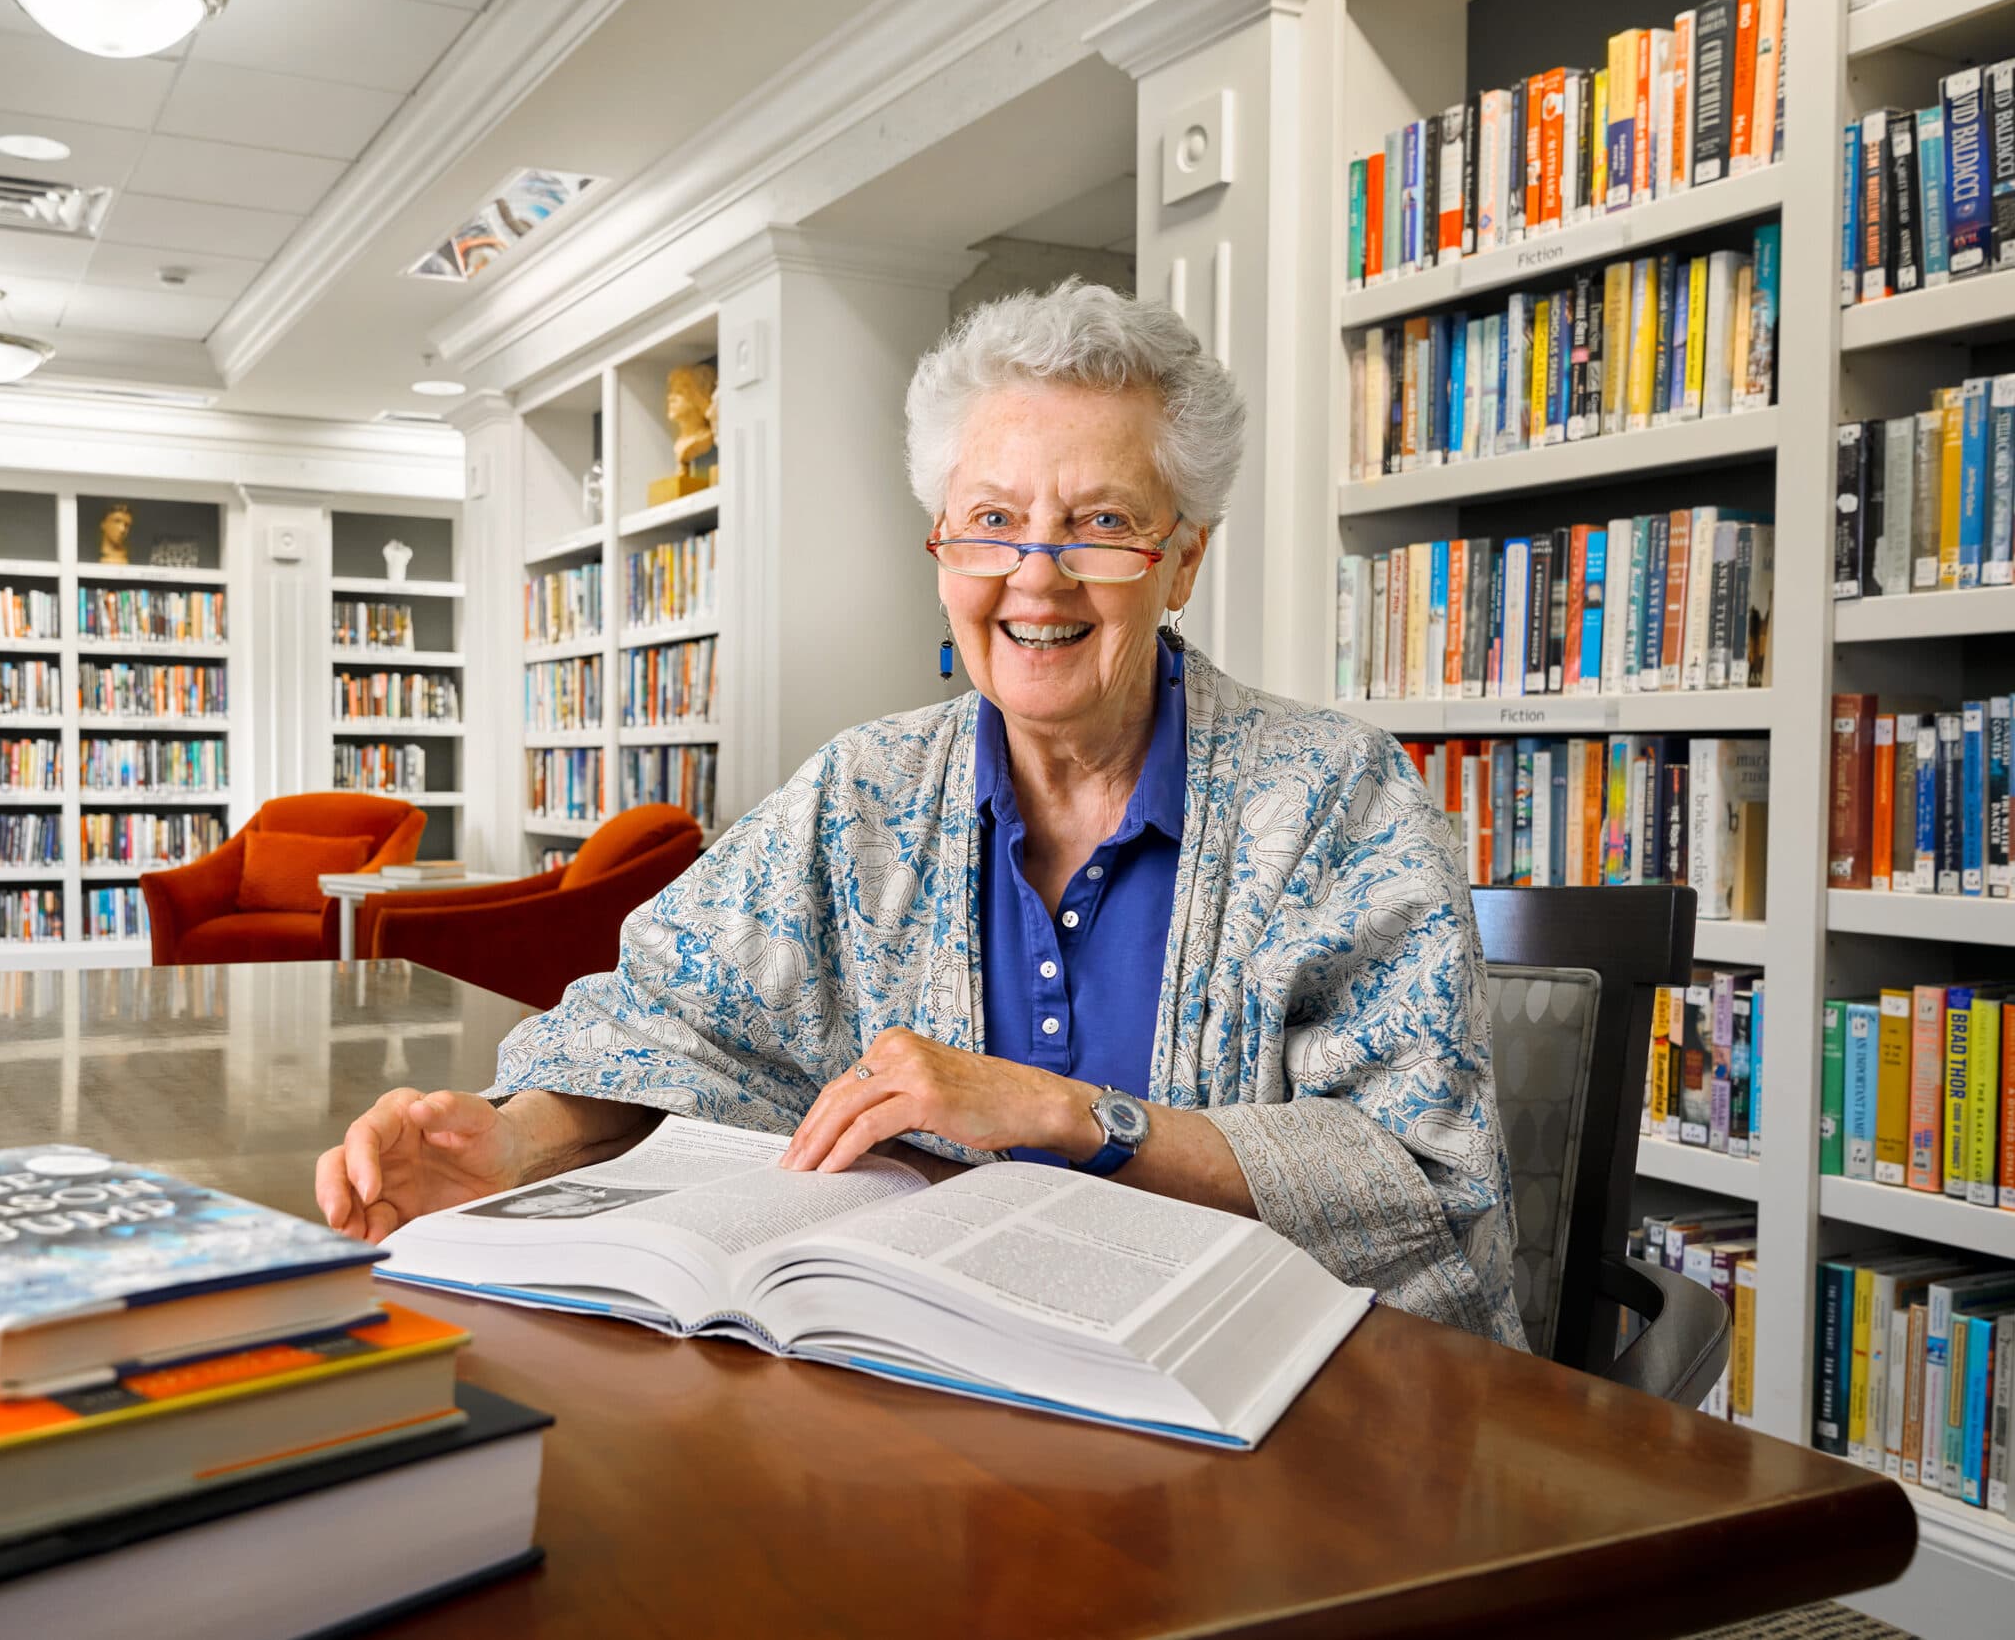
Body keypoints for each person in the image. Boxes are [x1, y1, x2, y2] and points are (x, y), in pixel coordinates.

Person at [319, 282, 1524, 1346]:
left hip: (1262, 1427)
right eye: (991, 521)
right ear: (942, 546)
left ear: (1183, 561)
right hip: (933, 1384)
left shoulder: (1338, 796)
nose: (1034, 576)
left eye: (1099, 524)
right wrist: (518, 1143)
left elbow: (1415, 1175)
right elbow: (671, 1022)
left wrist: (1068, 1117)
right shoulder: (862, 794)